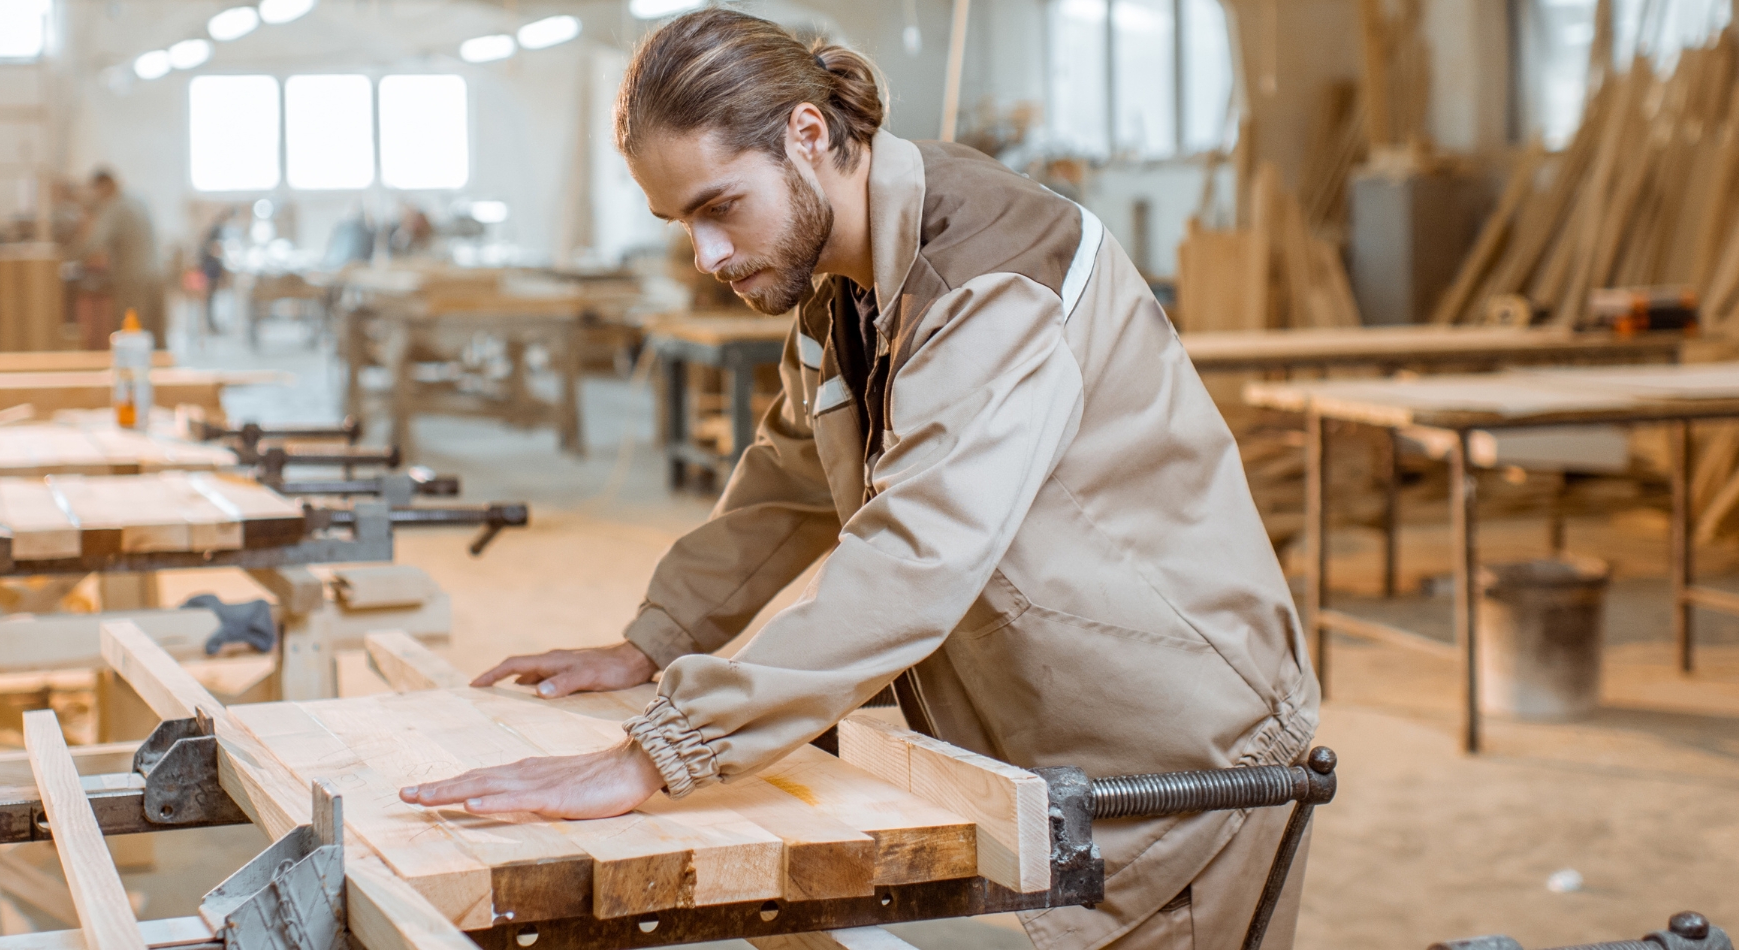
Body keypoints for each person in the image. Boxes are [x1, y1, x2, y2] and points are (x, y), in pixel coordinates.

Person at [398, 10, 1320, 949]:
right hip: (1029, 731)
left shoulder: (988, 278)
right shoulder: (841, 278)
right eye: (682, 223)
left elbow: (918, 554)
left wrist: (664, 746)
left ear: (807, 134)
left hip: (1182, 750)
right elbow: (793, 471)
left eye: (720, 206)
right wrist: (655, 641)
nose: (707, 256)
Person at [76, 168, 164, 344]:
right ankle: (163, 370)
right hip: (157, 274)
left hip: (133, 279)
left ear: (103, 187)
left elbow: (92, 244)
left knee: (131, 337)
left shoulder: (114, 207)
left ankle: (133, 371)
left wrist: (67, 257)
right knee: (156, 335)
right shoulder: (139, 199)